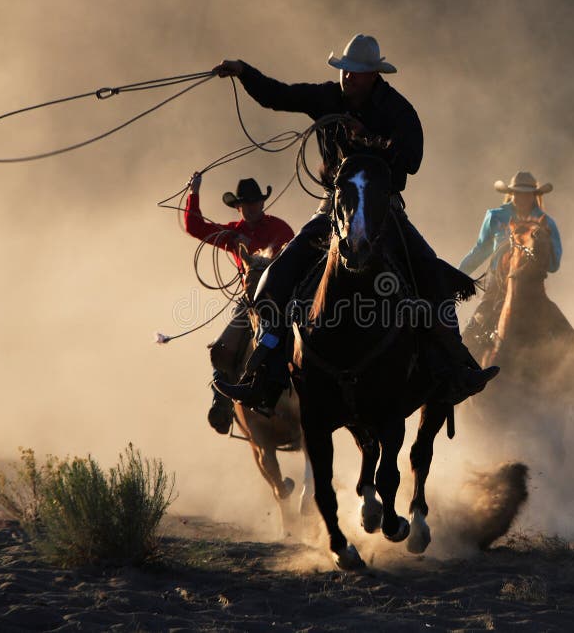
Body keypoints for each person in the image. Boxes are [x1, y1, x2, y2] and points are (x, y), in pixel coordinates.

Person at [210, 33, 498, 410]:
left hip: (385, 209)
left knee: (430, 272)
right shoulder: (327, 98)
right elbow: (278, 95)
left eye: (357, 73)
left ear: (374, 75)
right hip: (333, 207)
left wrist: (372, 140)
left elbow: (412, 159)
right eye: (346, 71)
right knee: (274, 279)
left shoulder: (397, 110)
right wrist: (244, 72)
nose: (348, 78)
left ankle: (455, 365)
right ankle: (266, 372)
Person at [183, 172, 294, 433]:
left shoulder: (281, 229)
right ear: (238, 207)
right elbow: (195, 228)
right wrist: (193, 194)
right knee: (223, 348)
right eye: (246, 204)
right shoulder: (233, 233)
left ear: (262, 204)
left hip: (283, 297)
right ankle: (221, 403)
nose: (251, 208)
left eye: (255, 203)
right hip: (249, 301)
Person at [459, 171, 562, 345]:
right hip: (497, 285)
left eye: (527, 193)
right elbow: (480, 250)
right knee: (472, 332)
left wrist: (543, 245)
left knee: (568, 337)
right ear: (511, 193)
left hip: (534, 287)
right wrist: (457, 275)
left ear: (534, 195)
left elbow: (553, 265)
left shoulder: (546, 222)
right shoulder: (495, 216)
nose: (522, 197)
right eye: (518, 192)